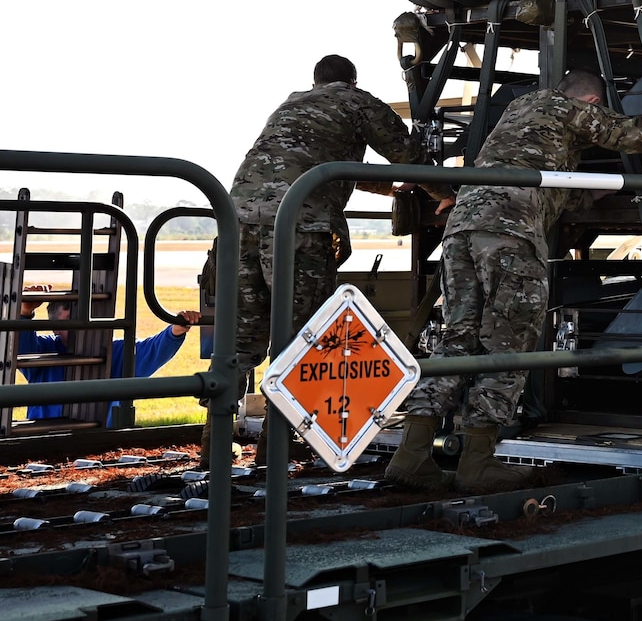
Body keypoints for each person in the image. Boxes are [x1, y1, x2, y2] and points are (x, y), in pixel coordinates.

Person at [387, 69, 642, 491]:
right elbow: (629, 134)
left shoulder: (519, 112)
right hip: (509, 235)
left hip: (462, 230)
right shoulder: (567, 108)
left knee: (457, 341)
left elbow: (544, 185)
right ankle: (477, 462)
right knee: (507, 348)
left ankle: (410, 455)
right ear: (590, 102)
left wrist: (590, 193)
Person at [228, 55, 431, 389]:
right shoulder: (356, 101)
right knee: (303, 337)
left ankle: (216, 433)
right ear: (353, 82)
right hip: (300, 224)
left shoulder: (291, 104)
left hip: (237, 221)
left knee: (240, 337)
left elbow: (317, 160)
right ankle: (282, 439)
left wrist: (387, 188)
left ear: (314, 83)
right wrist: (442, 192)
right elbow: (408, 154)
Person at [15, 302, 201, 421]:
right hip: (45, 442)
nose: (79, 328)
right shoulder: (44, 350)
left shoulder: (113, 352)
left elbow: (151, 350)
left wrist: (176, 330)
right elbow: (20, 348)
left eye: (85, 320)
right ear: (55, 328)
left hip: (99, 443)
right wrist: (25, 311)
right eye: (70, 321)